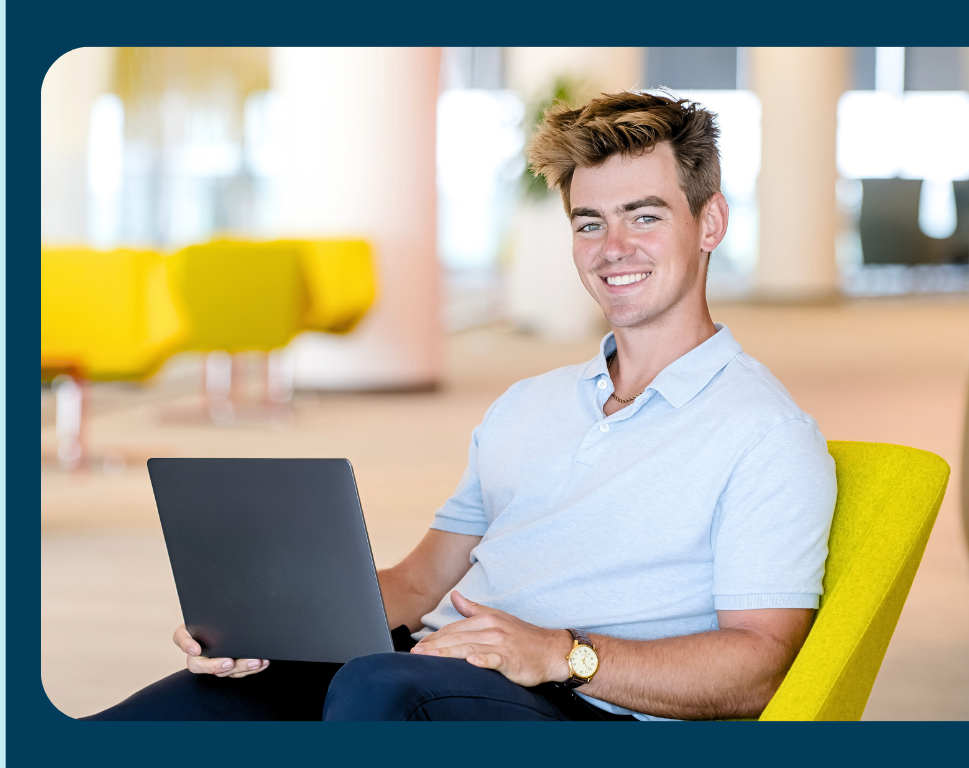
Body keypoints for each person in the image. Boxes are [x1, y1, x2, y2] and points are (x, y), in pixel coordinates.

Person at [88, 91, 836, 721]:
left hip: (579, 707)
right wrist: (264, 624)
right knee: (176, 712)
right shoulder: (528, 406)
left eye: (645, 216)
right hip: (427, 670)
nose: (613, 247)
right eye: (589, 222)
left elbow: (757, 669)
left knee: (376, 690)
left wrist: (559, 653)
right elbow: (417, 585)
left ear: (710, 224)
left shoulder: (765, 434)